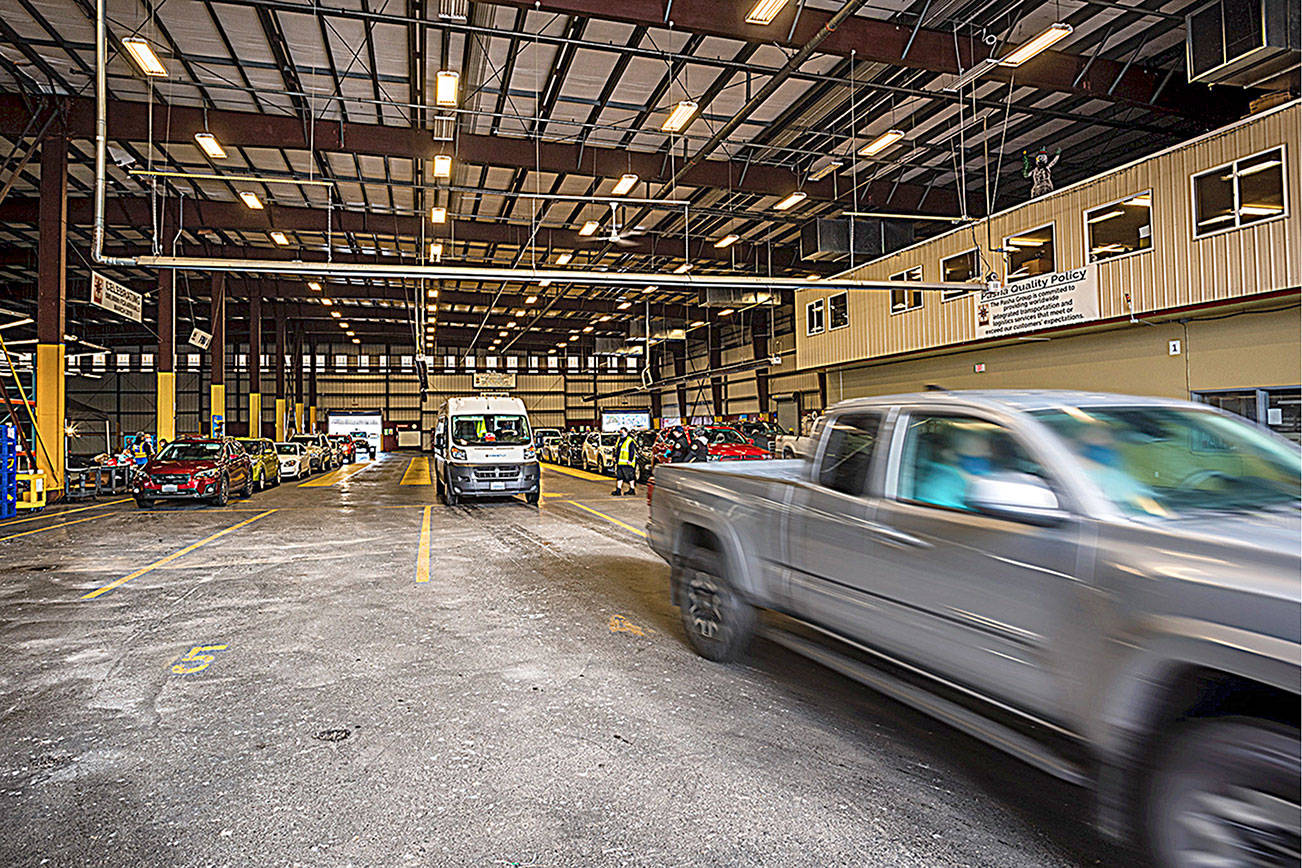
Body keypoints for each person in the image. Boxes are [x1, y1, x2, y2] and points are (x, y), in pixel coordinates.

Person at [611, 427, 637, 496]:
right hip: (620, 462)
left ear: (626, 432)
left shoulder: (630, 440)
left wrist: (630, 460)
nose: (621, 434)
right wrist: (614, 457)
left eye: (622, 432)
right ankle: (618, 490)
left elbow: (632, 451)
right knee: (619, 476)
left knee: (630, 477)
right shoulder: (620, 440)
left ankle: (632, 489)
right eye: (620, 432)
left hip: (627, 463)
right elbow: (617, 449)